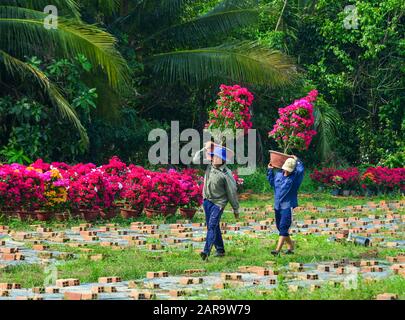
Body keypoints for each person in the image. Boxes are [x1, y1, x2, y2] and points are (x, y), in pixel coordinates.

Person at [193, 141, 239, 261]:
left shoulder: (226, 174)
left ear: (223, 160)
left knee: (212, 226)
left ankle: (206, 251)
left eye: (217, 157)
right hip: (207, 201)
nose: (214, 159)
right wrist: (204, 149)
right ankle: (220, 249)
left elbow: (232, 192)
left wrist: (235, 209)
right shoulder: (208, 166)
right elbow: (195, 160)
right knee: (213, 226)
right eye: (213, 156)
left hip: (218, 203)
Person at [267, 155, 304, 256]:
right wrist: (270, 170)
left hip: (288, 205)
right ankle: (291, 246)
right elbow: (271, 182)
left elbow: (301, 171)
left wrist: (297, 160)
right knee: (280, 227)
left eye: (289, 170)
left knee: (283, 227)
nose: (287, 172)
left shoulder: (295, 179)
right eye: (286, 169)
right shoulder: (278, 175)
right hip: (277, 205)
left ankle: (277, 250)